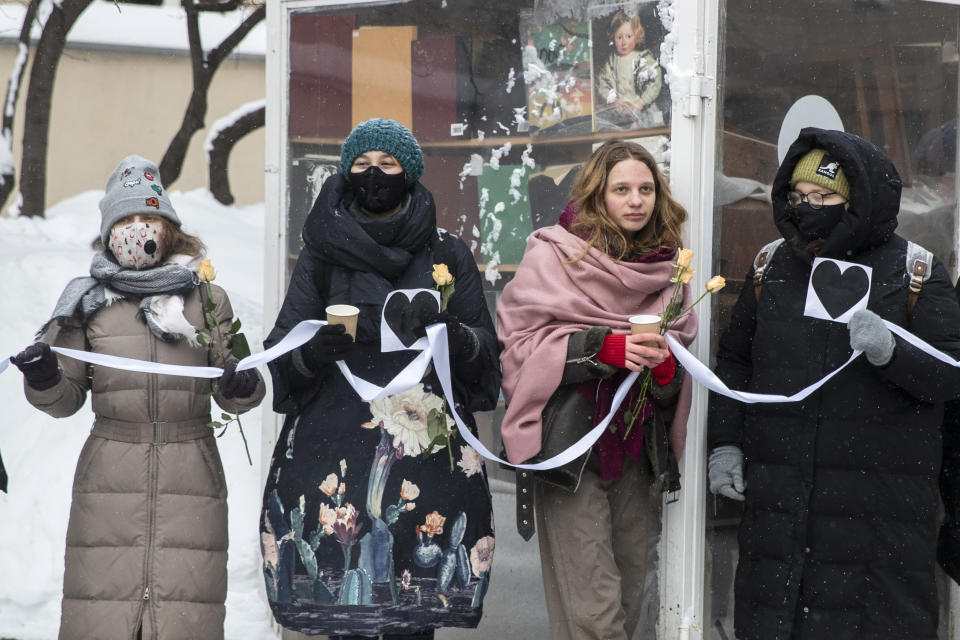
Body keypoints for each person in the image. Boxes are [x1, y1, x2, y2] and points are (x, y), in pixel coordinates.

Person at [707, 128, 960, 640]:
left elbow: (949, 379)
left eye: (824, 197)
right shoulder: (770, 264)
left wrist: (894, 351)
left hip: (878, 517)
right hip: (780, 511)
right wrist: (725, 443)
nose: (809, 207)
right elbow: (735, 363)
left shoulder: (916, 271)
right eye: (800, 198)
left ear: (859, 199)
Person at [259, 118, 500, 640]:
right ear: (347, 174)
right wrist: (312, 351)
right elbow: (283, 355)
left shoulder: (446, 254)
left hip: (427, 460)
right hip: (334, 454)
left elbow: (486, 359)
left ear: (409, 174)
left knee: (413, 617)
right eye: (362, 164)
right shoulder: (321, 256)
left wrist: (456, 337)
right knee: (344, 609)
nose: (374, 174)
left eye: (388, 164)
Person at [9, 155, 265, 640]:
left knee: (184, 618)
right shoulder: (87, 304)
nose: (135, 229)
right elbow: (65, 400)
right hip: (109, 479)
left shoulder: (208, 299)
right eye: (123, 220)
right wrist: (44, 378)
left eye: (146, 217)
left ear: (168, 227)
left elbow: (238, 388)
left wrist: (241, 386)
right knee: (100, 617)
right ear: (107, 232)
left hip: (192, 476)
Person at [497, 139, 697, 640]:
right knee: (595, 613)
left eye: (646, 189)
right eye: (621, 189)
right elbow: (518, 348)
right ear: (597, 194)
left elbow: (675, 377)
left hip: (636, 452)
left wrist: (667, 374)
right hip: (572, 452)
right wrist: (598, 348)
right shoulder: (555, 254)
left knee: (630, 600)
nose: (636, 200)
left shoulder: (672, 270)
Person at [595, 10, 664, 131]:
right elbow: (603, 84)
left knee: (648, 139)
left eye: (628, 36)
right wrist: (614, 102)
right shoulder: (611, 61)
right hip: (619, 115)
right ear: (613, 37)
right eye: (619, 37)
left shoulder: (642, 58)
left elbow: (654, 82)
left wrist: (642, 101)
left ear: (637, 37)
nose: (623, 42)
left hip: (643, 112)